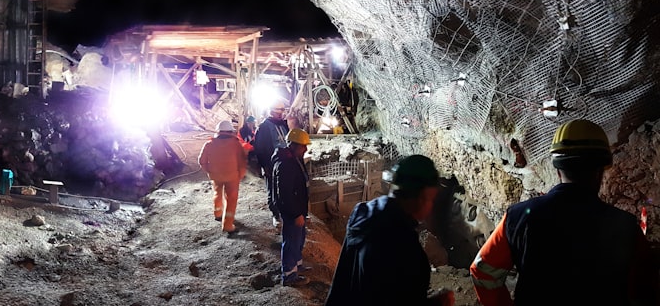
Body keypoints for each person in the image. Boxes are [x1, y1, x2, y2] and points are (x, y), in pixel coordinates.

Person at [470, 119, 658, 306]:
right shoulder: (626, 226)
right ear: (600, 171)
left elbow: (483, 271)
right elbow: (643, 291)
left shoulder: (517, 217)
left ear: (558, 169)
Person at [324, 154, 455, 306]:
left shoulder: (363, 215)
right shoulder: (405, 249)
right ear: (421, 197)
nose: (431, 206)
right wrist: (438, 302)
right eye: (431, 199)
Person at [273, 128, 313, 286]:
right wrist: (296, 214)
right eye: (303, 146)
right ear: (294, 145)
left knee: (298, 238)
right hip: (292, 211)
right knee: (291, 240)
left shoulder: (295, 159)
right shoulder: (286, 164)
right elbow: (286, 193)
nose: (306, 149)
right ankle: (289, 276)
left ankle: (297, 266)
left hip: (298, 209)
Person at [197, 120, 249, 233]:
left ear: (218, 131)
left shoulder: (209, 144)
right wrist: (240, 175)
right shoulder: (236, 144)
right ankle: (228, 225)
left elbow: (201, 161)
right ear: (231, 131)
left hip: (216, 176)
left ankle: (218, 213)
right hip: (232, 177)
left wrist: (209, 171)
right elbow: (242, 161)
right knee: (231, 199)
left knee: (217, 194)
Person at [253, 100, 290, 226]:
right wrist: (264, 166)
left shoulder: (283, 125)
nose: (280, 114)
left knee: (285, 188)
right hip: (271, 164)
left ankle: (285, 212)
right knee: (273, 190)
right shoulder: (263, 128)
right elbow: (259, 148)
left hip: (285, 163)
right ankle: (276, 215)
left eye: (281, 111)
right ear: (271, 111)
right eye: (277, 111)